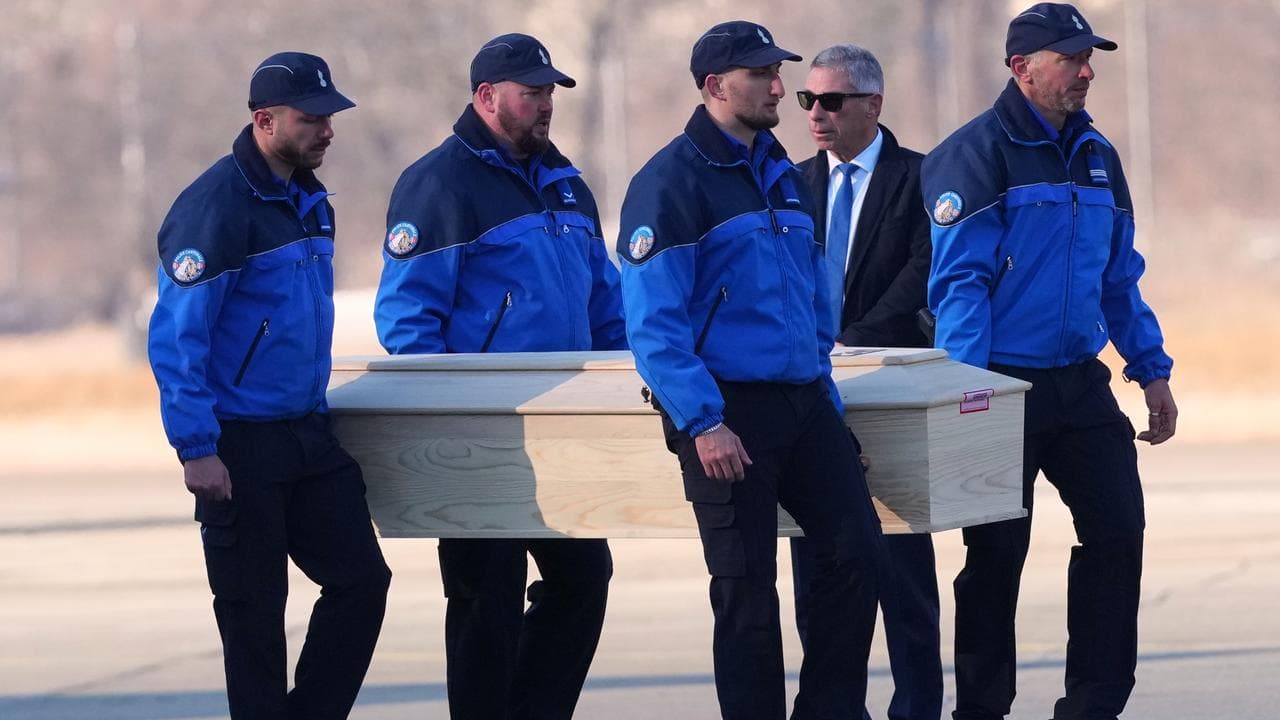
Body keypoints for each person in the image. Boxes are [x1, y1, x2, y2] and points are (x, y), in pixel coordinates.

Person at [617, 21, 883, 720]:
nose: (777, 85)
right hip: (724, 411)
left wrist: (827, 399)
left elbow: (808, 300)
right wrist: (702, 420)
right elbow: (654, 323)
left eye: (777, 70)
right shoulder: (670, 183)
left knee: (857, 553)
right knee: (747, 593)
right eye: (760, 73)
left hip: (802, 400)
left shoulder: (781, 176)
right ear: (714, 87)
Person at [922, 4, 1178, 719]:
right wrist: (969, 397)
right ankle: (982, 706)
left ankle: (1093, 703)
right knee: (996, 557)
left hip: (1077, 381)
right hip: (999, 381)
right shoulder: (976, 154)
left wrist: (1151, 370)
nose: (1086, 71)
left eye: (1088, 57)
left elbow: (1119, 275)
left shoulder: (1098, 155)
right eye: (1070, 58)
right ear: (1022, 68)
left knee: (1118, 527)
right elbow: (960, 286)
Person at [373, 33, 625, 720]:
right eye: (531, 91)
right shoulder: (439, 185)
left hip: (564, 427)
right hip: (480, 434)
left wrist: (620, 387)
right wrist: (451, 424)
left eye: (549, 92)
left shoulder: (565, 180)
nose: (545, 104)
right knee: (487, 597)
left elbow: (605, 299)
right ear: (487, 97)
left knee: (584, 580)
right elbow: (407, 321)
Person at [146, 52, 391, 719]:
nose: (327, 131)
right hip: (239, 446)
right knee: (255, 624)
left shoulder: (310, 202)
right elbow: (178, 339)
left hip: (309, 436)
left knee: (362, 583)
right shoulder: (216, 207)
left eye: (330, 117)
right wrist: (196, 445)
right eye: (312, 119)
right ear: (264, 120)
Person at [792, 44, 942, 720]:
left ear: (873, 105)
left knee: (902, 566)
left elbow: (923, 270)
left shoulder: (920, 179)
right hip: (809, 394)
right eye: (807, 101)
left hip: (890, 384)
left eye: (832, 101)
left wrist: (854, 339)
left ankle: (916, 706)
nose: (816, 115)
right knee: (819, 568)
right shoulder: (792, 184)